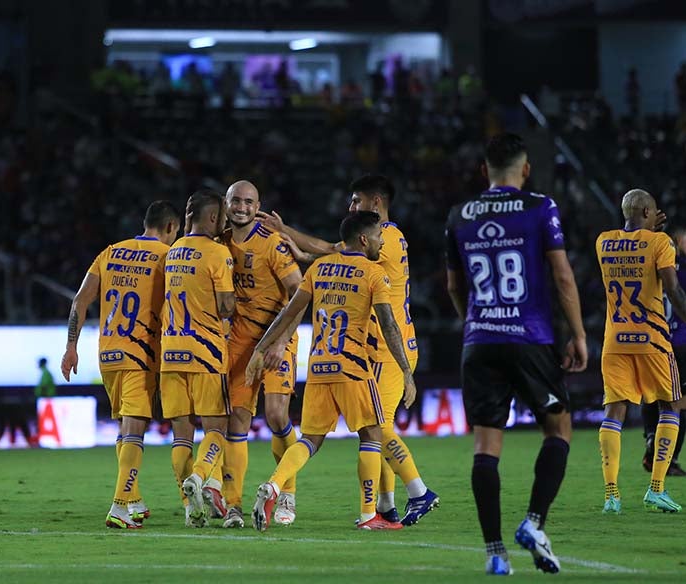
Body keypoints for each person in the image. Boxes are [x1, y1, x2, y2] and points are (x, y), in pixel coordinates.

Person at [257, 174, 438, 527]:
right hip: (363, 351)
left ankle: (417, 492)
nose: (351, 206)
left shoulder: (388, 237)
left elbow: (330, 251)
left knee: (378, 429)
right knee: (375, 429)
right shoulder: (367, 246)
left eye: (356, 201)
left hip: (389, 348)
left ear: (375, 203)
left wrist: (301, 247)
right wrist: (292, 238)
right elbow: (335, 249)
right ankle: (385, 508)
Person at [445, 133, 587, 575]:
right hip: (530, 336)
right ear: (525, 170)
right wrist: (579, 334)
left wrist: (475, 323)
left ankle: (495, 554)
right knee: (559, 427)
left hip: (480, 340)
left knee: (486, 443)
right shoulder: (539, 206)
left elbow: (454, 286)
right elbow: (562, 277)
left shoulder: (459, 214)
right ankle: (534, 522)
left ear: (484, 170)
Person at [62, 200, 181, 529]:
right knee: (135, 429)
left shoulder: (110, 251)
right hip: (140, 354)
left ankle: (134, 499)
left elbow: (80, 300)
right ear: (171, 228)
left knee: (125, 429)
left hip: (108, 354)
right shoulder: (167, 256)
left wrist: (71, 347)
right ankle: (118, 505)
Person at [218, 180, 303, 529]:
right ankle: (234, 507)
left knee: (276, 414)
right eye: (236, 201)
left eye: (249, 202)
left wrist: (281, 340)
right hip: (239, 339)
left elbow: (300, 291)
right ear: (226, 205)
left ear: (258, 206)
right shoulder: (218, 242)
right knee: (236, 419)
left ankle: (286, 491)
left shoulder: (272, 243)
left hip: (276, 336)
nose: (242, 207)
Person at [596, 191, 686, 516]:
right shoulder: (661, 244)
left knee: (614, 412)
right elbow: (673, 289)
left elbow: (631, 244)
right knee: (671, 406)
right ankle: (657, 489)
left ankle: (611, 495)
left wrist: (649, 231)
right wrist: (659, 238)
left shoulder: (603, 242)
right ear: (649, 211)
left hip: (614, 341)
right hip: (652, 340)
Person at [160, 190, 235, 528]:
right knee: (217, 429)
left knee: (181, 435)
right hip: (205, 352)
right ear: (213, 219)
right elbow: (226, 306)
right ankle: (202, 475)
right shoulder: (217, 253)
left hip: (170, 354)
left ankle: (190, 509)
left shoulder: (172, 251)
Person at [641, 228, 686, 476]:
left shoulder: (647, 267)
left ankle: (651, 441)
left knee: (652, 397)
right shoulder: (678, 269)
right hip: (677, 342)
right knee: (678, 403)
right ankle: (667, 458)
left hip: (651, 340)